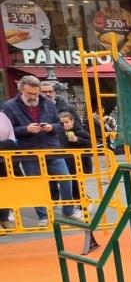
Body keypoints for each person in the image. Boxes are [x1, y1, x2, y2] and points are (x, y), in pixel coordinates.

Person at [2, 75, 77, 225]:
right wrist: (26, 129)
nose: (34, 97)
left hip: (51, 147)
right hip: (29, 151)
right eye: (30, 94)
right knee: (36, 184)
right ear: (21, 90)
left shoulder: (48, 103)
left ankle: (68, 211)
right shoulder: (9, 106)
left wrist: (51, 127)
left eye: (36, 93)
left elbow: (58, 124)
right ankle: (43, 216)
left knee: (66, 178)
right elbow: (8, 130)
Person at [0, 110, 17, 229]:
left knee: (4, 188)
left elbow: (11, 132)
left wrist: (9, 143)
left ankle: (4, 219)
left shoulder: (2, 115)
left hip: (4, 156)